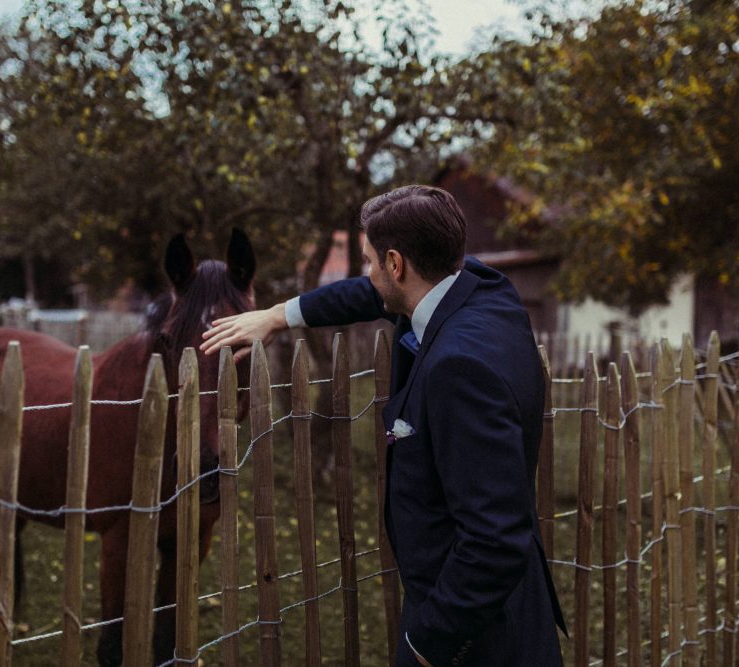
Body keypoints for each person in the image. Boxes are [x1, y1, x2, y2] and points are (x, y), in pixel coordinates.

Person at [200, 185, 565, 666]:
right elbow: (368, 295)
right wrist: (276, 316)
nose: (367, 274)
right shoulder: (483, 289)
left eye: (371, 262)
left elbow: (494, 541)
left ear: (396, 264)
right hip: (493, 602)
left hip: (475, 630)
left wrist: (426, 647)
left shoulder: (459, 369)